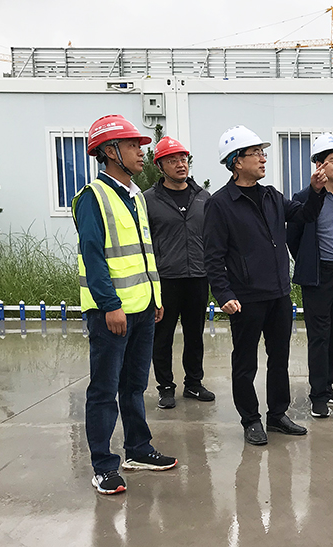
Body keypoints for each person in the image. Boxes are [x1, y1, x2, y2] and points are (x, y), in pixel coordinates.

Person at [203, 125, 327, 446]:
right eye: (255, 153)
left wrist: (315, 190)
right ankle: (250, 419)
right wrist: (223, 294)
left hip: (278, 294)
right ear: (236, 161)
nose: (263, 158)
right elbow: (213, 256)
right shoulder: (220, 204)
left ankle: (277, 415)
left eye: (262, 152)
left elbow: (305, 215)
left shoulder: (272, 195)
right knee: (245, 363)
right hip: (244, 298)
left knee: (279, 358)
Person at [73, 114, 177, 495]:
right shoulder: (93, 198)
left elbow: (145, 253)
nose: (140, 152)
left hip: (143, 308)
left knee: (134, 385)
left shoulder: (135, 196)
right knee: (104, 390)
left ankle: (138, 449)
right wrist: (109, 305)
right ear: (109, 151)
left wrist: (155, 298)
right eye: (132, 145)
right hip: (111, 313)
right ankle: (103, 465)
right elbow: (94, 256)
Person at [287, 134, 333, 419]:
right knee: (318, 336)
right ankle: (317, 395)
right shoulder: (303, 199)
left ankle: (328, 384)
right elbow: (293, 237)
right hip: (320, 277)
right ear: (319, 165)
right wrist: (309, 262)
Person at [143, 136, 214, 410]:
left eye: (183, 159)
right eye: (172, 160)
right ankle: (165, 387)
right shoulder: (147, 200)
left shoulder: (203, 197)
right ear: (160, 166)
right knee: (162, 337)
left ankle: (194, 383)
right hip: (165, 279)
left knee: (195, 335)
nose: (180, 164)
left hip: (198, 276)